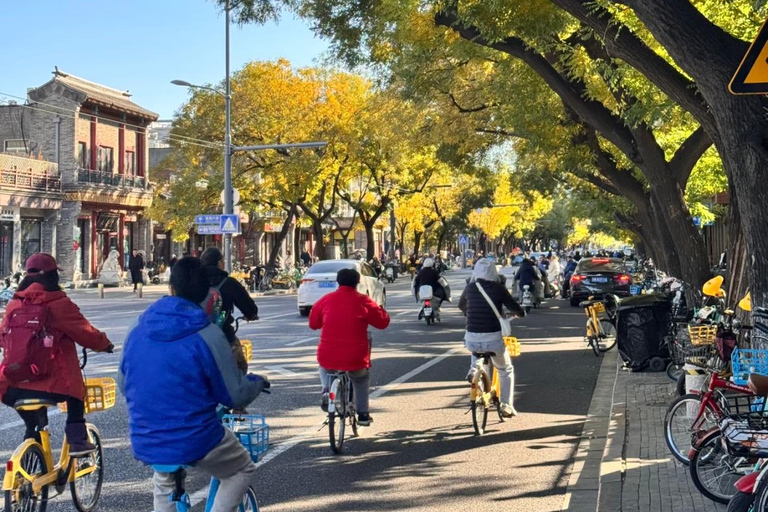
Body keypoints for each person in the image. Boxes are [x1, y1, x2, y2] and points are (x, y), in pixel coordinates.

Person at [120, 257, 268, 512]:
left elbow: (124, 385)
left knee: (164, 482)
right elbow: (235, 395)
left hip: (145, 437)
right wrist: (256, 382)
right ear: (206, 293)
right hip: (196, 437)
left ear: (171, 288)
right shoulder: (209, 334)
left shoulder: (137, 327)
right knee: (241, 469)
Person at [0, 253, 113, 455]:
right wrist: (105, 345)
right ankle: (77, 440)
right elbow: (86, 333)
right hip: (55, 387)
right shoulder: (58, 303)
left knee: (28, 410)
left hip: (13, 385)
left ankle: (32, 433)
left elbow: (2, 337)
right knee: (75, 387)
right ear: (53, 275)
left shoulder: (14, 304)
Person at [309, 268, 390, 426]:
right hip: (356, 356)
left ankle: (327, 390)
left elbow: (313, 324)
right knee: (360, 379)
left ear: (338, 282)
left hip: (328, 355)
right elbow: (383, 323)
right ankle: (363, 414)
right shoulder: (363, 301)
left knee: (325, 367)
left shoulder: (325, 300)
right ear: (357, 283)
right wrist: (380, 309)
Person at [459, 258, 525, 417]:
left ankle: (475, 368)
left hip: (471, 338)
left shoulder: (470, 287)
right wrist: (519, 314)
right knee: (505, 369)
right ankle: (506, 405)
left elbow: (461, 305)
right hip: (493, 339)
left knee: (476, 352)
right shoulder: (498, 288)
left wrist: (471, 313)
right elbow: (515, 308)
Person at [200, 247, 259, 373]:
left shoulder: (194, 283)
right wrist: (251, 315)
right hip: (224, 336)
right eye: (223, 261)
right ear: (219, 263)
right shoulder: (229, 283)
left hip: (197, 338)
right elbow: (249, 306)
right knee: (240, 368)